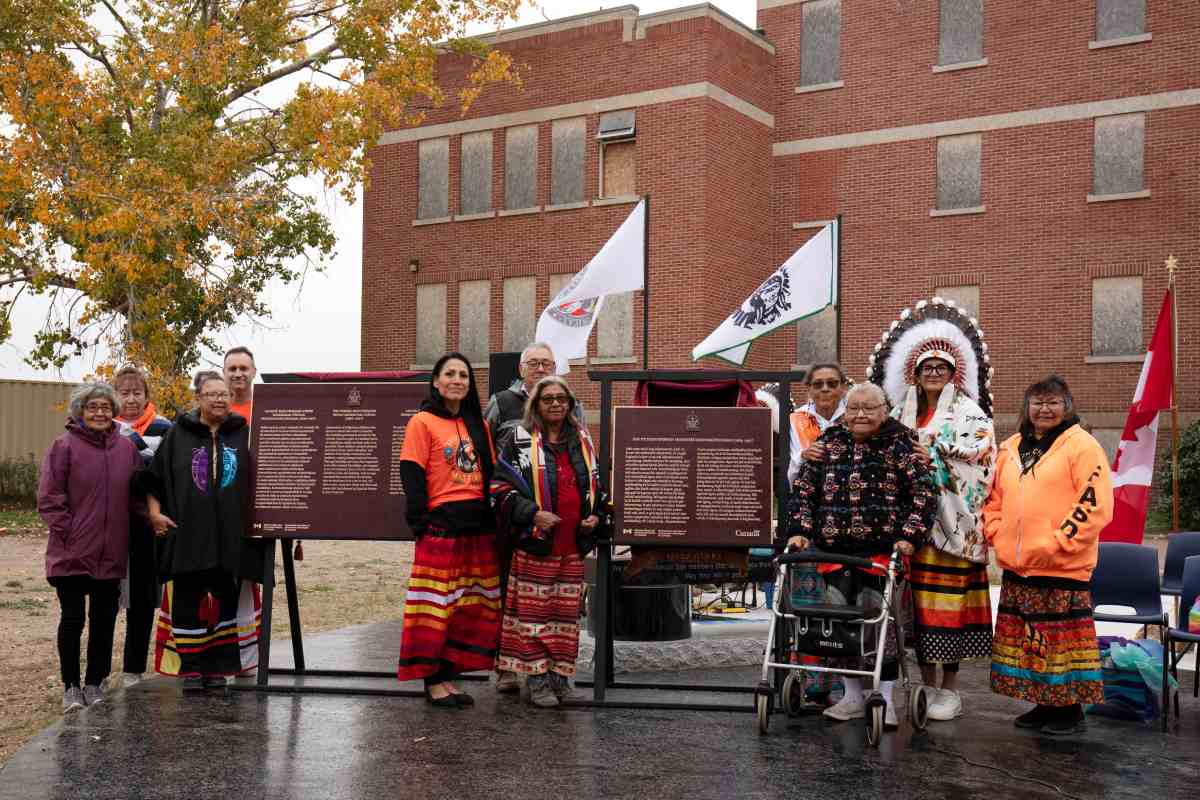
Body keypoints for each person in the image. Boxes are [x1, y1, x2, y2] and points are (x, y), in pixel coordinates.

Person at [868, 302, 997, 722]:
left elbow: (980, 458)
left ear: (953, 372)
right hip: (911, 527)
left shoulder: (971, 412)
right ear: (915, 374)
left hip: (953, 531)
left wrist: (934, 452)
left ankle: (951, 689)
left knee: (948, 608)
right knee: (917, 611)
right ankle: (925, 683)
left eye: (941, 367)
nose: (934, 374)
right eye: (927, 368)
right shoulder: (900, 411)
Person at [787, 382, 936, 728]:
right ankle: (852, 696)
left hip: (883, 554)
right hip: (834, 552)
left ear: (885, 411)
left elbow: (923, 494)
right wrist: (800, 530)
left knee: (880, 627)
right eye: (854, 408)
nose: (860, 415)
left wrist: (909, 536)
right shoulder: (830, 441)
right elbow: (805, 491)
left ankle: (884, 697)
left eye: (869, 408)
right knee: (839, 627)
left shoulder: (902, 443)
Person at [984, 375, 1112, 736]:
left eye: (1053, 402)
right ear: (1027, 408)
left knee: (1061, 643)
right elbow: (993, 499)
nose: (1045, 408)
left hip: (1062, 565)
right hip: (1018, 566)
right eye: (1037, 402)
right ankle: (1043, 703)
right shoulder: (1010, 447)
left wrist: (1056, 542)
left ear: (1067, 406)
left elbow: (1094, 502)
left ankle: (1069, 710)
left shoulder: (1081, 446)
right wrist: (996, 532)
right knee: (1030, 639)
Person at [490, 376, 612, 707]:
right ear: (536, 405)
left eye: (562, 398)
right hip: (537, 544)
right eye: (548, 399)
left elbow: (597, 489)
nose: (556, 403)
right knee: (534, 618)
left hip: (572, 546)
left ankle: (560, 679)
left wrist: (595, 515)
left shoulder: (583, 441)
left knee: (565, 618)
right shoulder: (519, 440)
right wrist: (532, 514)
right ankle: (538, 680)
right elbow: (499, 489)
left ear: (571, 404)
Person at [143, 371, 263, 691]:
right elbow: (154, 478)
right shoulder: (178, 435)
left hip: (228, 538)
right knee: (188, 602)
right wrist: (155, 514)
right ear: (199, 398)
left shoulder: (243, 434)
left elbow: (261, 481)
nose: (219, 399)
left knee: (224, 603)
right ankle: (192, 669)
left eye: (223, 394)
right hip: (188, 535)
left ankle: (216, 669)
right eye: (211, 394)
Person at [397, 353, 500, 707]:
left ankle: (450, 676)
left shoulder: (478, 425)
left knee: (468, 605)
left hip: (477, 528)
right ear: (437, 383)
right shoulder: (421, 422)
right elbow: (411, 474)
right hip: (441, 527)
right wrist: (421, 524)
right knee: (435, 607)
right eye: (450, 374)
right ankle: (433, 680)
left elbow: (491, 474)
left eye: (464, 375)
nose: (458, 380)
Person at [483, 340, 585, 693]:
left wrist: (592, 513)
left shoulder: (576, 422)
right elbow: (486, 457)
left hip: (565, 536)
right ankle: (507, 667)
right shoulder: (502, 403)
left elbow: (586, 467)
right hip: (515, 522)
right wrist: (519, 510)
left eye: (547, 363)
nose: (541, 368)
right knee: (517, 600)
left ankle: (553, 672)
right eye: (534, 363)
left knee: (558, 605)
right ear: (521, 368)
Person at [37, 383, 143, 712]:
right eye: (92, 407)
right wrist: (69, 533)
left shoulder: (127, 450)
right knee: (72, 619)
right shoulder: (63, 446)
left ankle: (95, 683)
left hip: (111, 552)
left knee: (104, 621)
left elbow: (138, 496)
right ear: (80, 411)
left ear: (114, 411)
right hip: (72, 553)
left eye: (105, 407)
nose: (99, 413)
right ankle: (70, 687)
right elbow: (49, 498)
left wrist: (153, 518)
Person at [112, 364, 174, 688]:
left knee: (141, 599)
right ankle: (96, 674)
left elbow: (156, 470)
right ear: (114, 396)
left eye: (137, 393)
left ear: (147, 396)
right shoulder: (102, 426)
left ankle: (132, 669)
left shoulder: (164, 428)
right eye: (124, 393)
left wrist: (131, 439)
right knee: (107, 600)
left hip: (147, 527)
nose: (131, 399)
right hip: (108, 528)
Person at [786, 363, 848, 484]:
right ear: (809, 388)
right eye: (818, 384)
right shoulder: (795, 420)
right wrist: (803, 455)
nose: (825, 389)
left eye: (832, 383)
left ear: (843, 387)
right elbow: (788, 468)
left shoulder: (853, 416)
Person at [223, 346, 257, 421]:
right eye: (232, 369)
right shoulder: (209, 411)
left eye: (243, 369)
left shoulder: (266, 411)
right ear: (224, 372)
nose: (238, 374)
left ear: (254, 372)